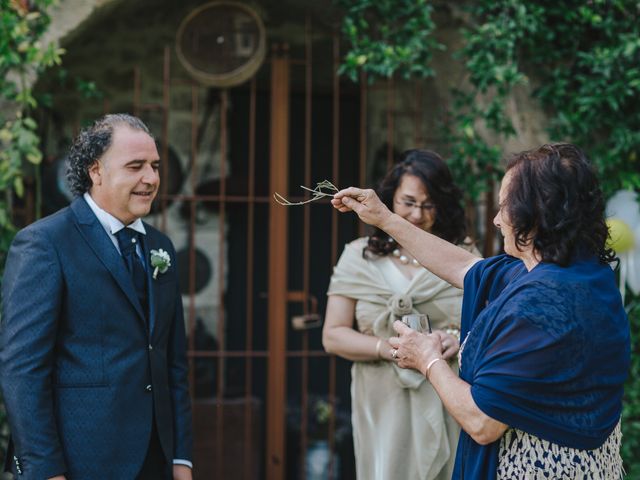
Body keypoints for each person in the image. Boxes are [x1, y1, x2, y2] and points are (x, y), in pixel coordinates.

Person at [331, 143, 630, 479]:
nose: (496, 219)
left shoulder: (544, 303)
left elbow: (482, 421)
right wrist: (385, 219)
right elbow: (466, 268)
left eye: (505, 208)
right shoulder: (575, 272)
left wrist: (428, 360)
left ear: (535, 216)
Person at [0, 114, 193, 480]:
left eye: (154, 166)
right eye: (135, 166)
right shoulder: (45, 243)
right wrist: (46, 470)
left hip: (157, 461)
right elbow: (22, 370)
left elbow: (173, 362)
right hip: (79, 463)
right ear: (96, 171)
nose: (151, 178)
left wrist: (181, 458)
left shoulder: (160, 246)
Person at [323, 150, 479, 480]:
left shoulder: (461, 256)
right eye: (408, 202)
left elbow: (485, 326)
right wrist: (390, 349)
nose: (417, 214)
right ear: (390, 198)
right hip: (380, 396)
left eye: (429, 204)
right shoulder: (357, 256)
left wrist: (452, 340)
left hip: (446, 391)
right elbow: (333, 334)